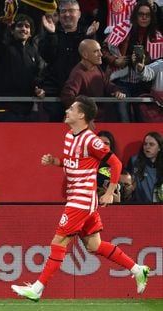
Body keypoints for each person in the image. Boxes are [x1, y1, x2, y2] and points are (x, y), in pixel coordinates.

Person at [11, 95, 150, 302]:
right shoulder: (69, 136)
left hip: (82, 200)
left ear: (81, 115)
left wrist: (110, 192)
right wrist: (54, 161)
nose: (67, 110)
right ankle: (138, 269)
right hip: (79, 198)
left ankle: (38, 288)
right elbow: (71, 164)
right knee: (94, 245)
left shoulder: (91, 140)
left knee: (59, 240)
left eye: (72, 108)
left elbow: (116, 164)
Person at [102, 0, 163, 122]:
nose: (144, 18)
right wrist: (114, 61)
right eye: (141, 14)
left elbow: (159, 63)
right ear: (135, 15)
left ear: (152, 17)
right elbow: (104, 48)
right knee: (123, 119)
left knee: (142, 120)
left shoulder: (158, 37)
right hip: (121, 82)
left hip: (143, 85)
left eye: (147, 15)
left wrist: (145, 62)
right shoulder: (122, 28)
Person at [39, 0, 99, 122]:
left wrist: (89, 38)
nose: (67, 15)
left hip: (80, 94)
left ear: (79, 14)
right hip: (55, 95)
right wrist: (51, 35)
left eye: (71, 11)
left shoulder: (86, 34)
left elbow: (91, 61)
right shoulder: (52, 33)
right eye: (63, 11)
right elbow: (47, 56)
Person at [0, 13, 45, 122]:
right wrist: (2, 23)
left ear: (31, 33)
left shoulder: (33, 52)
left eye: (27, 26)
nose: (23, 29)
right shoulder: (5, 48)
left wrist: (39, 88)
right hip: (6, 109)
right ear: (12, 30)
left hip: (27, 110)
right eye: (19, 26)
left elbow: (36, 75)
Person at [61, 39, 125, 122]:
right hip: (88, 122)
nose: (101, 54)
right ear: (85, 55)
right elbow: (67, 97)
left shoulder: (96, 67)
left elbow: (106, 83)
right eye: (96, 51)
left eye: (100, 50)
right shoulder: (78, 74)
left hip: (99, 119)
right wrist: (85, 118)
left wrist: (116, 91)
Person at [127, 131, 163, 203]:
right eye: (145, 144)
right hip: (138, 206)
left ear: (159, 148)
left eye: (151, 144)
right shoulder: (134, 161)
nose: (147, 147)